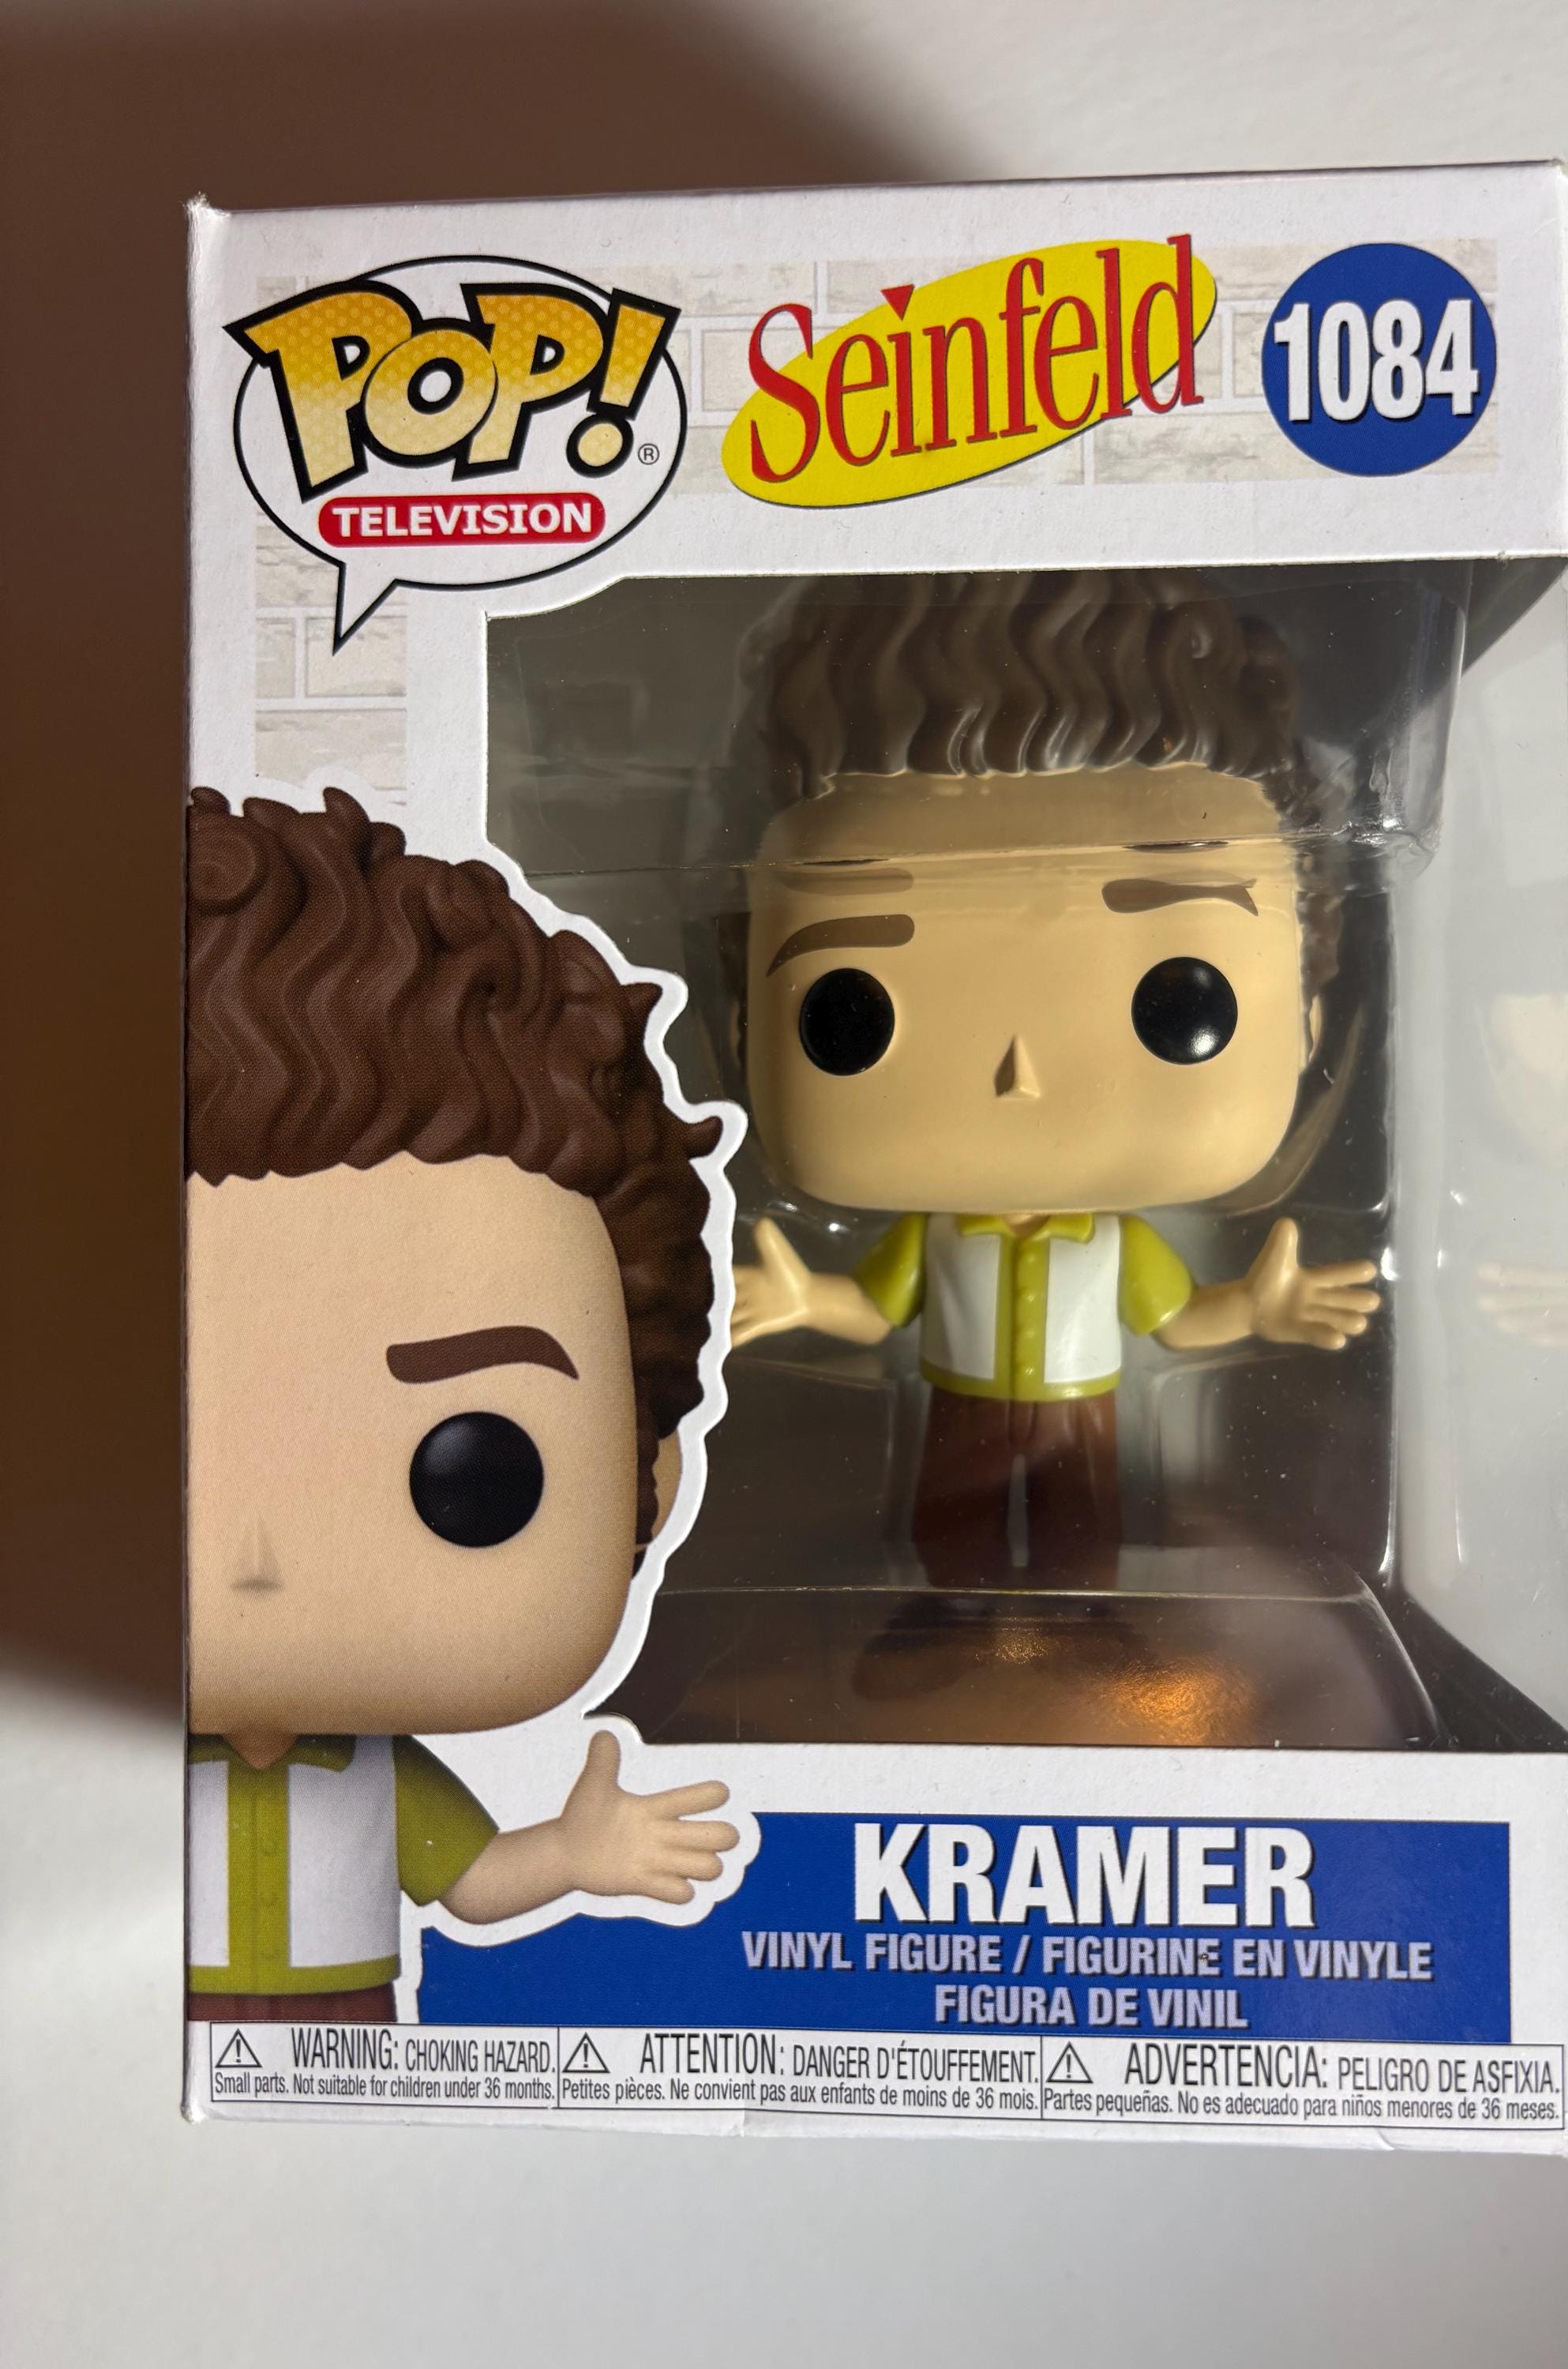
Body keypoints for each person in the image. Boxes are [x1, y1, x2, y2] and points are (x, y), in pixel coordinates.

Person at [185, 786, 737, 2022]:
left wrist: (581, 1854)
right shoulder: (82, 1777)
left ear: (645, 1484)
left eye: (476, 1474)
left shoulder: (377, 1775)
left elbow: (478, 1886)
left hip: (349, 2045)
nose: (255, 1560)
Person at [729, 570, 1379, 1591]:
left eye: (1180, 1005)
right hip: (960, 1408)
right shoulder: (937, 1240)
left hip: (1084, 1411)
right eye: (850, 1015)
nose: (1018, 1073)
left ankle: (1084, 1608)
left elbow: (1177, 1321)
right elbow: (875, 1309)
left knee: (1085, 1531)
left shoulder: (1110, 1245)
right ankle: (953, 1612)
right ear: (745, 1028)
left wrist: (1258, 1313)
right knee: (953, 1533)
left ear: (1307, 1020)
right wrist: (802, 1296)